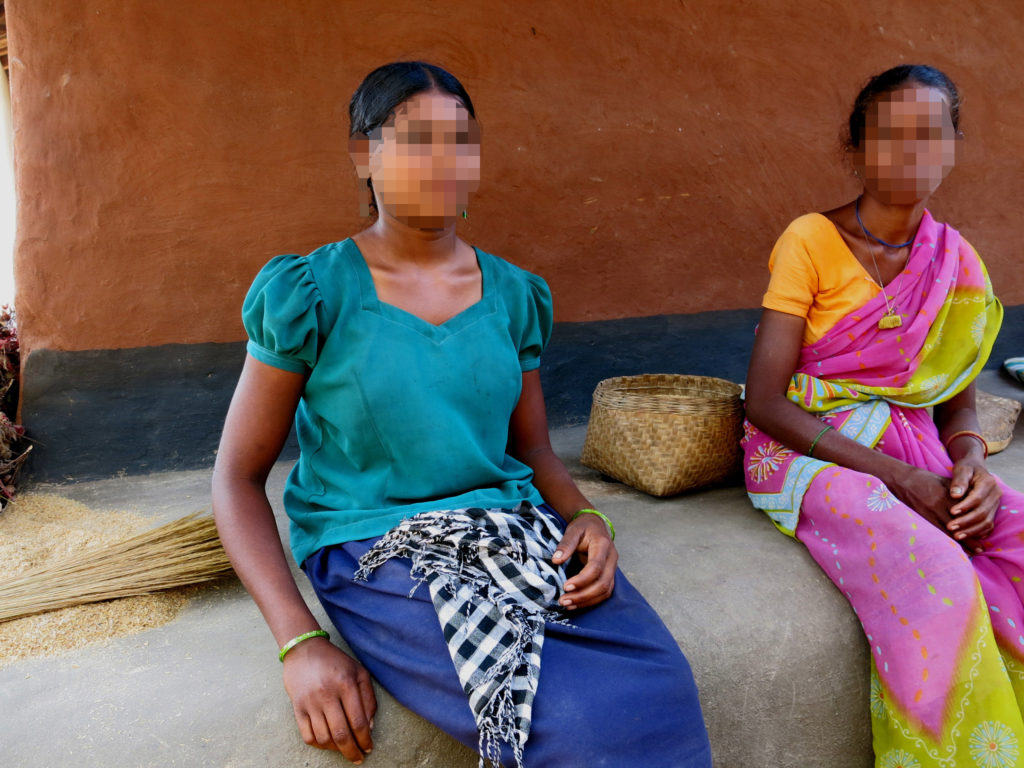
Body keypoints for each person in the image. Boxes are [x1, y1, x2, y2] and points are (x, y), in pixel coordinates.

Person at [212, 61, 711, 768]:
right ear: (364, 154)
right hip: (378, 549)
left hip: (517, 533)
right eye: (416, 140)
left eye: (460, 141)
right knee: (563, 723)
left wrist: (588, 518)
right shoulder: (312, 293)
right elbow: (235, 478)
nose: (443, 162)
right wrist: (299, 641)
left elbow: (533, 449)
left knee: (659, 689)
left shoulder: (513, 295)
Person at [743, 64, 1024, 767]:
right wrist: (901, 478)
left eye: (931, 133)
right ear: (858, 147)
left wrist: (968, 465)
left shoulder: (956, 261)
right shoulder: (809, 240)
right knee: (935, 568)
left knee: (1013, 536)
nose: (912, 151)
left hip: (919, 451)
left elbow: (955, 391)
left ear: (955, 143)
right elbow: (766, 400)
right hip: (810, 451)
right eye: (891, 135)